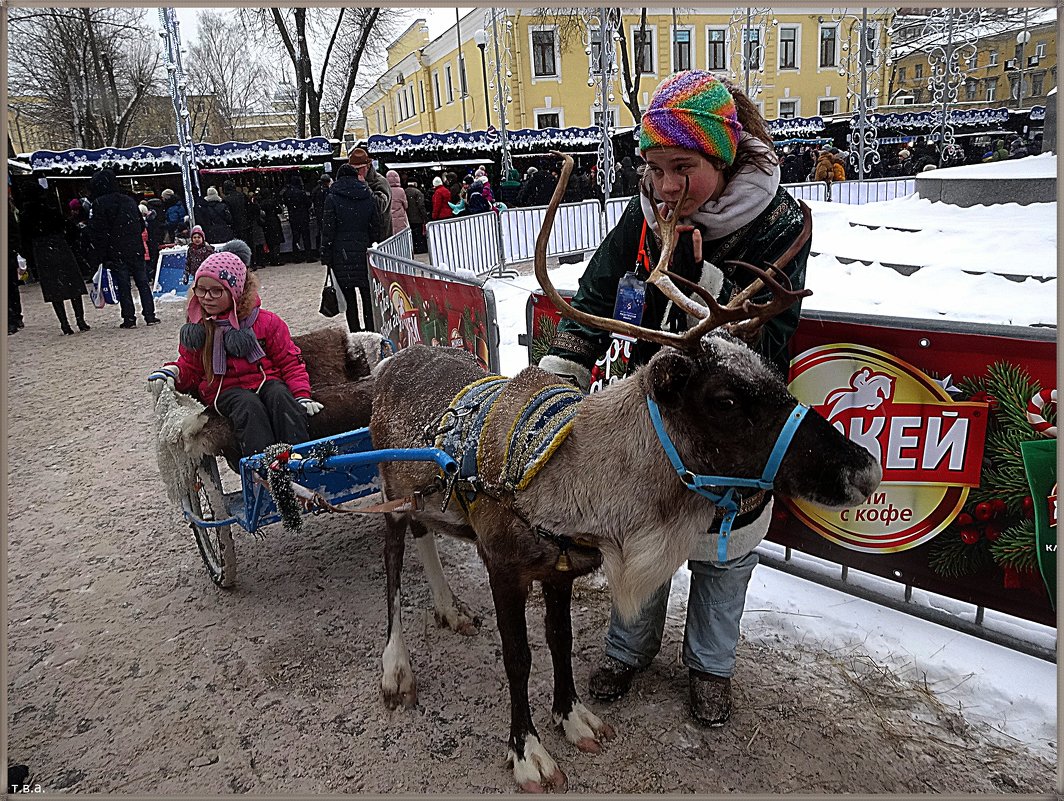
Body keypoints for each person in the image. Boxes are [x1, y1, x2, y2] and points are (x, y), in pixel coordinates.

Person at [539, 71, 811, 728]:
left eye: (681, 167)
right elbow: (598, 292)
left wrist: (698, 281)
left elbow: (765, 349)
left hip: (729, 425)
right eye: (655, 167)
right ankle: (628, 648)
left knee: (726, 549)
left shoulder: (782, 223)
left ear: (720, 155)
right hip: (649, 420)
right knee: (642, 534)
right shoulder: (645, 211)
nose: (664, 186)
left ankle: (710, 665)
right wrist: (557, 377)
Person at [148, 245, 322, 459]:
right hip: (224, 390)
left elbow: (290, 362)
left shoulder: (266, 322)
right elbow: (191, 367)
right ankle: (263, 467)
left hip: (264, 380)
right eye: (200, 290)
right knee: (247, 405)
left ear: (235, 292)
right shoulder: (198, 327)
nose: (206, 297)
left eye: (216, 291)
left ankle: (301, 458)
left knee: (280, 396)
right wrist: (173, 371)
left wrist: (302, 396)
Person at [85, 168, 159, 329]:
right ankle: (150, 315)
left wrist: (102, 254)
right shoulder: (129, 200)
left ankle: (129, 317)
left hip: (116, 250)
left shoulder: (99, 204)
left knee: (124, 285)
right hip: (135, 247)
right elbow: (140, 225)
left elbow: (99, 232)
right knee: (142, 282)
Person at [20, 185, 92, 335]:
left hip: (42, 251)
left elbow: (24, 239)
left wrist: (31, 256)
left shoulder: (26, 215)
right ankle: (80, 320)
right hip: (60, 246)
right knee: (72, 286)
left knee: (54, 290)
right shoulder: (51, 209)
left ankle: (64, 323)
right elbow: (69, 228)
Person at [320, 163, 381, 333]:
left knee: (349, 297)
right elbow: (375, 225)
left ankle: (354, 331)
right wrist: (374, 245)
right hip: (364, 251)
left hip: (342, 254)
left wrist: (326, 254)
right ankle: (371, 330)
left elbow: (328, 229)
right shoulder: (367, 195)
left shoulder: (332, 197)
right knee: (367, 295)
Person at [348, 148, 392, 242]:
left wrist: (365, 187)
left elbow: (380, 207)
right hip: (360, 238)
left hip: (379, 239)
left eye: (359, 169)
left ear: (367, 166)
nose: (356, 172)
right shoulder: (352, 183)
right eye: (354, 169)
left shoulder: (380, 182)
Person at [282, 173, 312, 262]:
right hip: (303, 216)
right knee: (306, 237)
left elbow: (286, 203)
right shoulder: (301, 193)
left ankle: (296, 256)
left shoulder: (287, 193)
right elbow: (308, 203)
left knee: (296, 237)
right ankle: (308, 255)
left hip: (293, 217)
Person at [8, 194, 25, 334]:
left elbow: (14, 233)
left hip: (7, 256)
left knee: (10, 288)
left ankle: (14, 317)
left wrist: (12, 250)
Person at [258, 190, 284, 266]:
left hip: (266, 223)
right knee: (276, 242)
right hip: (274, 222)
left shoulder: (261, 204)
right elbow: (279, 210)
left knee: (270, 241)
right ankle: (276, 258)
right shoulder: (273, 201)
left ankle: (272, 258)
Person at [404, 180, 429, 254]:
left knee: (412, 235)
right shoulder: (418, 192)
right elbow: (421, 205)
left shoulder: (404, 192)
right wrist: (425, 217)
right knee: (419, 234)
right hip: (417, 218)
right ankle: (420, 248)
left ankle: (414, 248)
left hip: (408, 218)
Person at [222, 179, 249, 245]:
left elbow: (227, 214)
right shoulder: (242, 195)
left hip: (235, 225)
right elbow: (248, 208)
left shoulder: (226, 199)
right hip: (245, 223)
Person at [311, 175, 332, 254]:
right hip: (324, 213)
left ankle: (319, 249)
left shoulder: (316, 190)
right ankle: (324, 249)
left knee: (320, 232)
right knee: (325, 232)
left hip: (319, 213)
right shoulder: (326, 190)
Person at [386, 169, 410, 234]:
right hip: (401, 217)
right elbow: (406, 205)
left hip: (390, 218)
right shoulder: (401, 191)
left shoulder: (386, 190)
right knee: (402, 237)